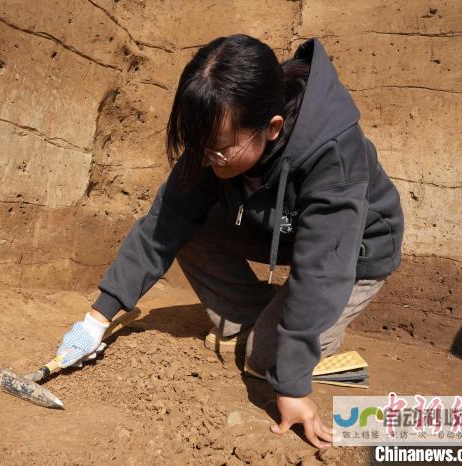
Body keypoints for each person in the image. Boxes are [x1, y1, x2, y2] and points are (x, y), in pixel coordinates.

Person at [54, 35, 404, 448]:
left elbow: (323, 270)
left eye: (219, 151)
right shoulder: (215, 138)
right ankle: (265, 319)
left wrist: (291, 387)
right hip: (280, 226)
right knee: (187, 225)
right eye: (199, 147)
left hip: (352, 252)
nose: (206, 159)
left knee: (264, 361)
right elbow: (163, 224)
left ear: (272, 128)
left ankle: (291, 338)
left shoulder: (332, 151)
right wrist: (95, 321)